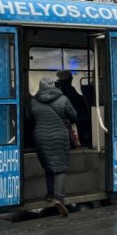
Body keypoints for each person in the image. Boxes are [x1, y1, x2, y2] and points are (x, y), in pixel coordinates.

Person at [30, 77, 76, 217]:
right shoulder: (63, 99)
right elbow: (73, 115)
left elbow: (31, 119)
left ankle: (50, 194)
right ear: (54, 86)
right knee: (60, 168)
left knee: (48, 165)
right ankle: (59, 199)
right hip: (59, 136)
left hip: (41, 137)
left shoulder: (34, 101)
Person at [55, 70, 90, 147]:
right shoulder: (68, 88)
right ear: (67, 78)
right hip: (68, 113)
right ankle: (85, 140)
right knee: (86, 117)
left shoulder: (56, 86)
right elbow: (77, 99)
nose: (72, 78)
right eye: (71, 77)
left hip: (60, 112)